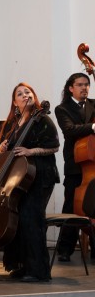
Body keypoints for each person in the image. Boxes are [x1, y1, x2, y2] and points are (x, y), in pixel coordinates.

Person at [0, 83, 59, 282]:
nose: (25, 95)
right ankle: (22, 266)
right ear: (15, 102)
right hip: (19, 178)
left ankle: (39, 270)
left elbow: (54, 147)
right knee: (18, 220)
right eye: (20, 94)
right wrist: (2, 146)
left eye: (28, 92)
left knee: (32, 219)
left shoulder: (43, 119)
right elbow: (7, 151)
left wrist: (30, 151)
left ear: (34, 95)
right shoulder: (13, 123)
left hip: (40, 175)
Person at [54, 73, 95, 262]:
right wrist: (92, 127)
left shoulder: (93, 105)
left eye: (87, 84)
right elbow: (69, 131)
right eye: (80, 85)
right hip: (75, 165)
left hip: (92, 165)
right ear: (71, 88)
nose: (85, 88)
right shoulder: (62, 109)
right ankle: (65, 249)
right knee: (71, 207)